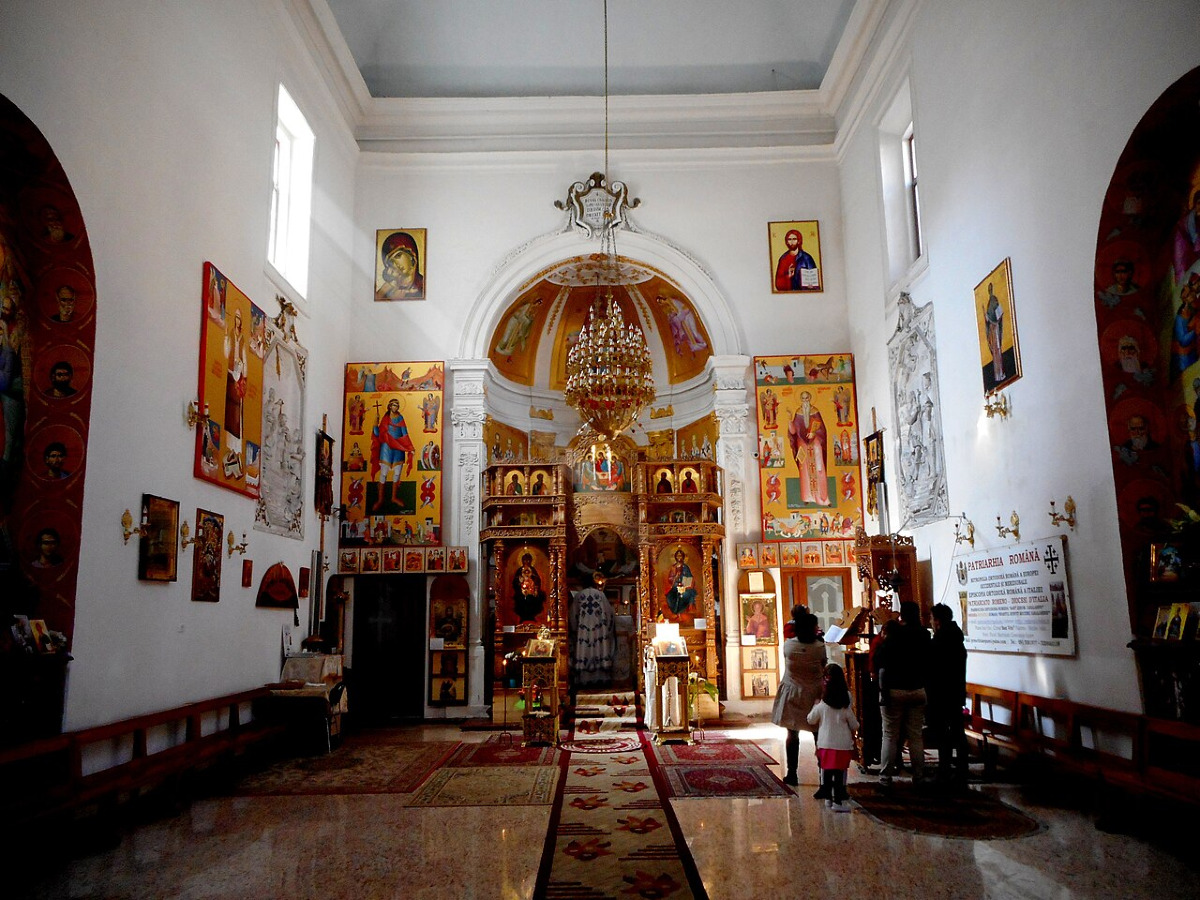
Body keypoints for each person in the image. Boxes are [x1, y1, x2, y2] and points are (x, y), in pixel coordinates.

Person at [873, 600, 931, 787]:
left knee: (890, 734)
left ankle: (885, 778)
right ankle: (919, 776)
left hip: (895, 690)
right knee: (915, 735)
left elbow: (880, 659)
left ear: (902, 616)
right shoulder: (924, 634)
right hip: (917, 689)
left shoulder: (895, 634)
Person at [771, 609, 827, 787]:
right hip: (815, 694)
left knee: (792, 734)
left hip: (793, 692)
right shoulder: (819, 647)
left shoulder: (789, 645)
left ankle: (792, 774)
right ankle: (822, 773)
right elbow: (823, 664)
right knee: (819, 735)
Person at [927, 603, 969, 787]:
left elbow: (934, 668)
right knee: (958, 733)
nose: (930, 622)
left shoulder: (940, 641)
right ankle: (961, 770)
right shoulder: (956, 639)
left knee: (943, 735)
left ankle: (945, 770)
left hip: (941, 693)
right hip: (955, 692)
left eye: (931, 618)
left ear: (937, 621)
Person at [808, 663, 859, 811]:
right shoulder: (845, 707)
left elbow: (810, 719)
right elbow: (855, 725)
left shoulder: (822, 705)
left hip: (824, 744)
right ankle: (838, 802)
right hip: (842, 745)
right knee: (838, 773)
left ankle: (828, 800)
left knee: (827, 771)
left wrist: (815, 705)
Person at [370, 397, 415, 510]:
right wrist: (375, 423)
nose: (396, 407)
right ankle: (380, 499)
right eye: (394, 405)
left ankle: (393, 497)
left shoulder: (400, 418)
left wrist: (410, 447)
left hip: (398, 448)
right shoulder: (385, 419)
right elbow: (378, 434)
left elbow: (405, 434)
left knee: (397, 473)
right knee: (384, 473)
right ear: (390, 406)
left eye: (397, 405)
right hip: (386, 449)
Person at [787, 392, 829, 505]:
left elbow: (822, 429)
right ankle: (807, 497)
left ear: (810, 398)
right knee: (804, 469)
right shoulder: (798, 412)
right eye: (803, 398)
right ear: (800, 399)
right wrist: (789, 420)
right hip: (803, 444)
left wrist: (814, 433)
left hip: (815, 443)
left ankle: (822, 496)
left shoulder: (815, 411)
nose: (805, 400)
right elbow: (794, 432)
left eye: (806, 398)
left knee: (819, 468)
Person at [223, 308, 247, 469]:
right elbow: (226, 353)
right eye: (236, 318)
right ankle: (229, 449)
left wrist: (243, 370)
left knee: (237, 414)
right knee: (230, 413)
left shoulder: (243, 338)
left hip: (239, 377)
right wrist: (225, 340)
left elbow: (244, 356)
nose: (237, 321)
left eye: (239, 318)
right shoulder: (231, 334)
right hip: (231, 374)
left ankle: (236, 450)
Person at [376, 231, 424, 300]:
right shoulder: (388, 290)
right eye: (391, 261)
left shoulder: (423, 285)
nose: (396, 263)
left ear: (411, 254)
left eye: (398, 255)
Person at [512, 552, 545, 621]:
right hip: (521, 593)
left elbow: (537, 581)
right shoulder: (519, 570)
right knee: (521, 601)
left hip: (531, 592)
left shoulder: (533, 570)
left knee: (536, 599)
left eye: (528, 560)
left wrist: (534, 586)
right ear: (522, 561)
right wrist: (520, 582)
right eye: (525, 560)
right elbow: (515, 582)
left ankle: (531, 617)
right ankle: (523, 617)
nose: (526, 562)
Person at [663, 548, 697, 615]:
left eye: (680, 556)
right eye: (678, 556)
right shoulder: (673, 567)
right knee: (670, 596)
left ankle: (682, 611)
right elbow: (670, 578)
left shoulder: (685, 567)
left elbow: (690, 577)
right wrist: (675, 577)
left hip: (685, 586)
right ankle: (675, 611)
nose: (679, 557)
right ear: (675, 557)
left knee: (686, 595)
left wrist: (686, 584)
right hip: (675, 586)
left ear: (683, 557)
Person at [983, 281, 1005, 382]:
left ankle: (1000, 374)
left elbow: (999, 314)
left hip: (995, 328)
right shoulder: (989, 303)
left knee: (998, 350)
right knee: (995, 352)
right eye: (989, 289)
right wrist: (985, 315)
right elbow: (988, 319)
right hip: (992, 329)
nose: (990, 290)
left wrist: (992, 319)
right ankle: (997, 375)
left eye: (991, 288)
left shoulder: (994, 299)